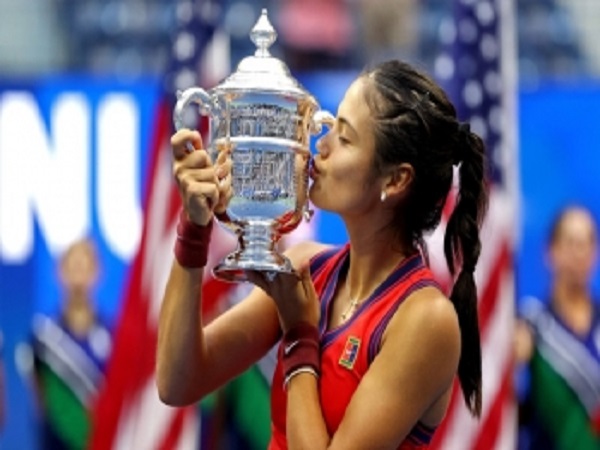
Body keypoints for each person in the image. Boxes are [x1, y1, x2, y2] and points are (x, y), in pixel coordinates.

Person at [157, 59, 489, 449]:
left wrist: (300, 335)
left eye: (344, 138)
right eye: (329, 128)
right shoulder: (306, 268)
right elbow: (177, 382)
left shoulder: (426, 319)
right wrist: (194, 229)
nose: (322, 146)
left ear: (396, 179)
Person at [514, 206, 600, 450]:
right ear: (550, 251)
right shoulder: (531, 323)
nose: (579, 253)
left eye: (586, 243)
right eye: (571, 243)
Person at [31, 238, 112, 450]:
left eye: (84, 267)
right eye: (73, 267)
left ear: (97, 273)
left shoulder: (113, 336)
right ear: (60, 272)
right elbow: (41, 401)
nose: (79, 277)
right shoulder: (43, 338)